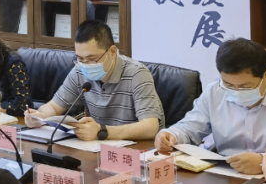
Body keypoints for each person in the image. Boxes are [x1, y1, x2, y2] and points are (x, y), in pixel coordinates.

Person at [155, 39, 266, 175]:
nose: (237, 92)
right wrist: (171, 135)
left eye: (245, 86)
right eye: (229, 85)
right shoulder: (215, 92)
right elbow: (189, 128)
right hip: (224, 174)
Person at [25, 20, 163, 140]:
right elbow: (54, 106)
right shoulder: (79, 70)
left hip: (136, 149)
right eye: (80, 59)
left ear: (112, 52)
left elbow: (150, 127)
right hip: (98, 146)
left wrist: (101, 131)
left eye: (92, 59)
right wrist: (40, 116)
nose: (86, 65)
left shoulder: (137, 74)